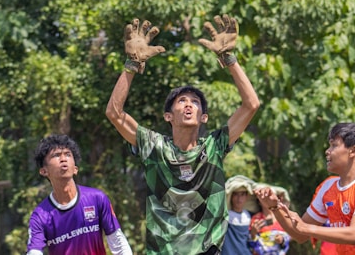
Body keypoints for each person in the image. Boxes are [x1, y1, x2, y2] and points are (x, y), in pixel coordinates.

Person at [106, 14, 261, 255]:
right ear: (169, 116)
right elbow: (114, 113)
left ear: (203, 117)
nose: (188, 105)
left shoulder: (214, 146)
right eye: (181, 101)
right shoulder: (154, 146)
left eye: (195, 102)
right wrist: (131, 65)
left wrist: (229, 58)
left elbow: (251, 104)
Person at [254, 122, 355, 254]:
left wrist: (306, 228)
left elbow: (354, 235)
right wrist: (275, 207)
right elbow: (299, 235)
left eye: (334, 145)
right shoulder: (327, 187)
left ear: (353, 151)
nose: (327, 151)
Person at [26, 134, 133, 255]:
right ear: (43, 171)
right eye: (56, 155)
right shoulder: (40, 215)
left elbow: (118, 243)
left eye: (67, 154)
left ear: (75, 169)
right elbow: (34, 251)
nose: (63, 159)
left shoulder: (97, 198)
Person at [221, 175, 257, 255]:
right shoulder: (223, 217)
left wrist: (253, 234)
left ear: (247, 196)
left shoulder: (251, 216)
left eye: (242, 194)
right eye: (236, 194)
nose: (239, 198)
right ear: (231, 196)